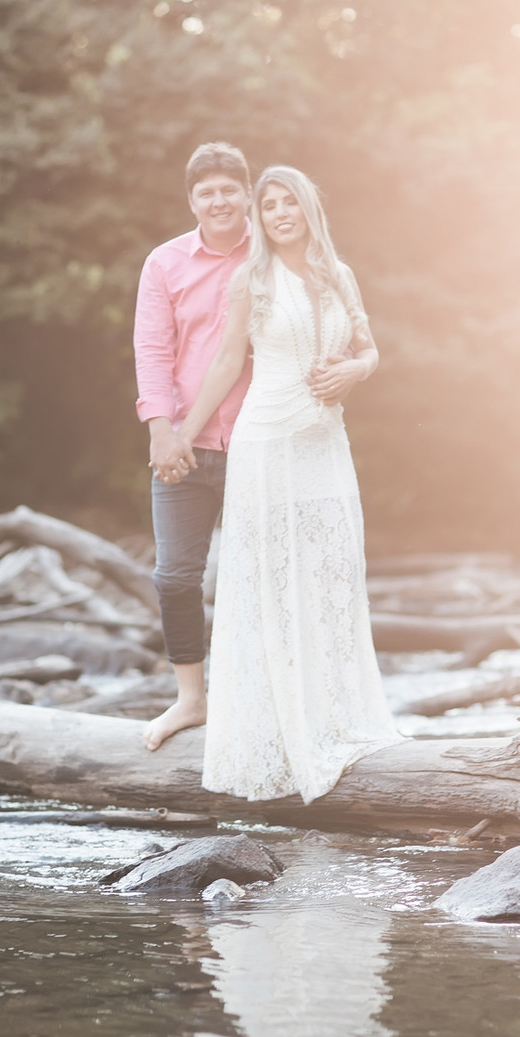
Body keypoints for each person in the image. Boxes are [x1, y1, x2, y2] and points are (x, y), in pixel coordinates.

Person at [171, 165, 402, 802]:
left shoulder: (338, 274)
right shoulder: (252, 279)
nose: (278, 213)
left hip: (326, 445)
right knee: (269, 581)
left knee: (331, 573)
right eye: (268, 204)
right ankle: (271, 730)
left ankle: (334, 716)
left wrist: (354, 370)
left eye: (287, 202)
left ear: (307, 207)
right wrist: (184, 433)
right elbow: (225, 361)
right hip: (267, 445)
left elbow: (370, 349)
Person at [134, 141, 253, 750]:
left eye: (229, 188)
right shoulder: (165, 263)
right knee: (176, 578)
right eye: (207, 192)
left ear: (246, 193)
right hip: (182, 446)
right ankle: (191, 701)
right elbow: (152, 351)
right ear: (192, 201)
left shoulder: (272, 256)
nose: (219, 200)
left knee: (255, 580)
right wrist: (160, 430)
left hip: (259, 444)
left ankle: (254, 703)